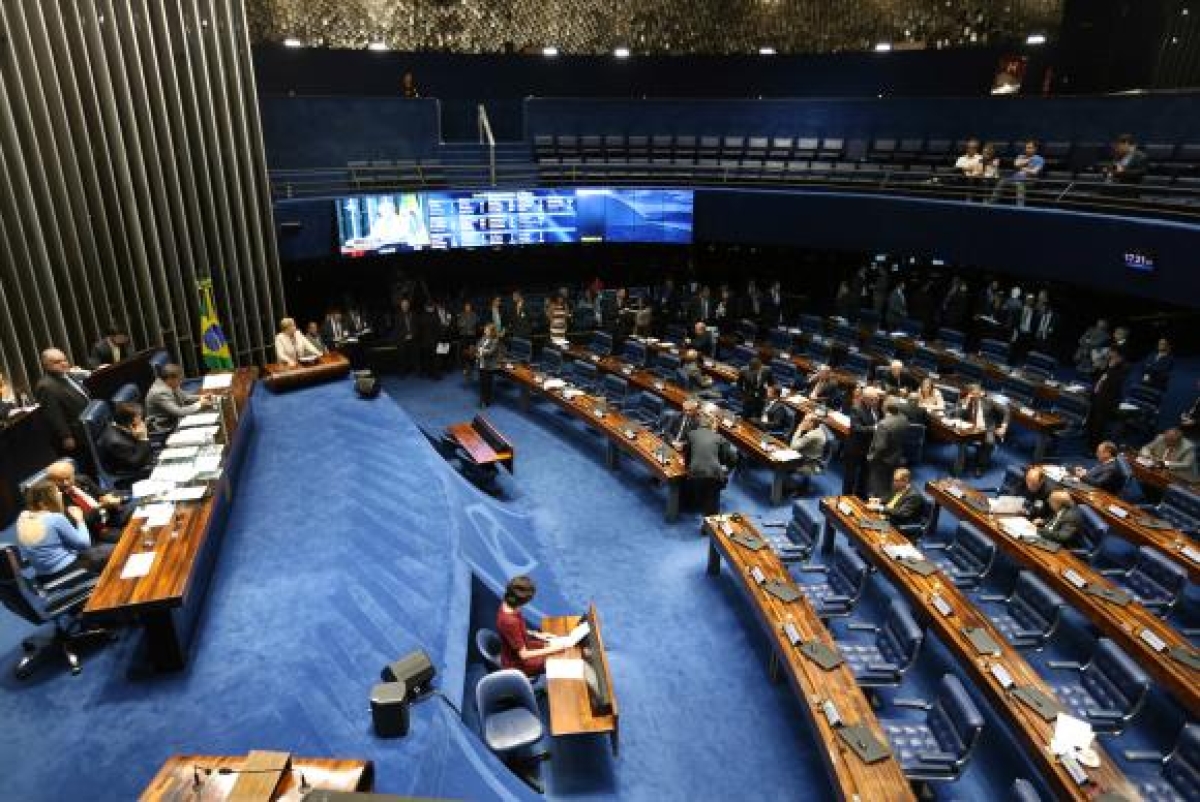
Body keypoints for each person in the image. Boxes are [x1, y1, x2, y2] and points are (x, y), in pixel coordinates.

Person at [16, 480, 113, 579]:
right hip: (69, 569)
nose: (60, 494)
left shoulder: (23, 519)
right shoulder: (54, 518)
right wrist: (80, 520)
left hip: (44, 576)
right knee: (113, 551)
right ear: (46, 501)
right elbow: (84, 545)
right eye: (56, 492)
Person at [495, 575, 567, 678]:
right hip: (518, 664)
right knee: (559, 659)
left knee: (550, 645)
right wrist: (553, 649)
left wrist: (537, 634)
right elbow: (524, 655)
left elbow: (512, 632)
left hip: (524, 646)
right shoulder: (509, 621)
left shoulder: (507, 605)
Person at [46, 459, 131, 544]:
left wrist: (114, 498)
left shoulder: (83, 480)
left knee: (139, 509)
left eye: (68, 478)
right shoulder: (55, 500)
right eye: (60, 480)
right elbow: (76, 524)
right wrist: (101, 506)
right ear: (52, 481)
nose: (66, 483)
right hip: (97, 530)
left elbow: (102, 494)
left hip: (111, 515)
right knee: (129, 538)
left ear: (73, 474)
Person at [34, 348, 91, 457]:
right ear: (46, 366)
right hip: (75, 435)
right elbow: (53, 414)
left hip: (86, 428)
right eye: (57, 362)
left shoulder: (68, 375)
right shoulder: (46, 386)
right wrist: (66, 436)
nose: (63, 363)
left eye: (64, 360)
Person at [684, 414, 737, 516]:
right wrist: (727, 469)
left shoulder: (691, 434)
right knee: (712, 502)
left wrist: (688, 469)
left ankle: (697, 503)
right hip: (714, 474)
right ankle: (708, 526)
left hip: (694, 472)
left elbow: (687, 454)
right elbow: (730, 458)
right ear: (713, 425)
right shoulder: (719, 438)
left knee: (701, 490)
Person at [953, 383, 1010, 477]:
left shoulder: (988, 401)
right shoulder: (966, 402)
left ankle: (980, 467)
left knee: (989, 443)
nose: (975, 396)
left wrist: (1003, 426)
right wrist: (965, 404)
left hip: (987, 429)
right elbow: (957, 416)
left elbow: (1006, 411)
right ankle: (959, 467)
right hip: (971, 428)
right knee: (961, 438)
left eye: (976, 393)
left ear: (980, 393)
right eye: (972, 394)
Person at [146, 363, 210, 433]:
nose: (181, 382)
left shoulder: (169, 383)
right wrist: (199, 404)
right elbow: (179, 412)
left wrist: (201, 397)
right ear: (170, 379)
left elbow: (185, 397)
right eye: (179, 379)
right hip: (164, 427)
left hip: (174, 419)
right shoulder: (159, 392)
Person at [1085, 349, 1129, 447]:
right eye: (1111, 356)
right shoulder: (1108, 366)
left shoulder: (1122, 369)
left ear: (1120, 357)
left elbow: (1114, 386)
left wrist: (1111, 368)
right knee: (1091, 423)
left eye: (1114, 356)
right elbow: (1096, 376)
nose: (1111, 358)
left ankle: (1094, 447)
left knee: (1098, 426)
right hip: (1097, 398)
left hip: (1107, 402)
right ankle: (1089, 444)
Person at [866, 400, 909, 499]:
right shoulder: (904, 419)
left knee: (876, 485)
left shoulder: (884, 424)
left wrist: (871, 457)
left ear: (885, 409)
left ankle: (875, 504)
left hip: (881, 460)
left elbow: (880, 446)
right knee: (888, 483)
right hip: (895, 456)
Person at [98, 402, 153, 478]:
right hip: (135, 471)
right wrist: (143, 439)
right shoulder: (116, 442)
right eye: (139, 420)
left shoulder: (122, 426)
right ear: (130, 425)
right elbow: (135, 463)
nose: (142, 423)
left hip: (144, 457)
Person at [843, 387, 880, 497]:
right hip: (854, 448)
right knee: (850, 476)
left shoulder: (874, 408)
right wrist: (874, 428)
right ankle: (847, 497)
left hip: (868, 448)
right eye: (874, 398)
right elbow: (856, 428)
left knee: (865, 474)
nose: (877, 400)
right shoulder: (856, 409)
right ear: (866, 399)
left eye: (876, 398)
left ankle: (860, 496)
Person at [990, 139, 1044, 206]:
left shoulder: (1040, 159)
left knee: (1020, 184)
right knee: (1002, 181)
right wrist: (1027, 162)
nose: (1027, 149)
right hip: (1014, 178)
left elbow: (1035, 172)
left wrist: (1022, 167)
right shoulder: (1021, 156)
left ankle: (1020, 207)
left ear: (1035, 149)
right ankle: (992, 203)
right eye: (1026, 147)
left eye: (1029, 148)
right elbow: (1016, 164)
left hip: (1029, 180)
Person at [789, 413, 828, 478]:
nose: (802, 423)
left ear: (811, 423)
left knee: (781, 461)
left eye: (805, 421)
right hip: (812, 459)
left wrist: (799, 429)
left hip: (806, 463)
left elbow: (793, 447)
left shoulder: (811, 435)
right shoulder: (819, 429)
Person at [476, 323, 501, 408]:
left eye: (486, 329)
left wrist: (481, 350)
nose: (485, 330)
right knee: (482, 383)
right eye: (485, 329)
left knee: (488, 384)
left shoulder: (495, 340)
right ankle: (482, 399)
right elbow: (478, 345)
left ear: (491, 331)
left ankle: (486, 402)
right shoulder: (483, 338)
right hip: (481, 364)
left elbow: (490, 352)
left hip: (489, 365)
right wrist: (482, 350)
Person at [393, 299, 418, 374]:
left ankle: (417, 371)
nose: (405, 306)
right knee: (402, 357)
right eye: (403, 305)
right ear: (401, 306)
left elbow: (416, 326)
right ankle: (403, 372)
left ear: (409, 305)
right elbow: (397, 329)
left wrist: (412, 335)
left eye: (406, 305)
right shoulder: (397, 316)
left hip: (413, 338)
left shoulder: (413, 314)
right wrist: (405, 336)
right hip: (402, 339)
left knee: (415, 356)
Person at [457, 300, 480, 377]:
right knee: (464, 351)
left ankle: (472, 365)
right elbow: (459, 324)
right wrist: (465, 325)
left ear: (471, 307)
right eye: (466, 306)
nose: (467, 307)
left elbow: (476, 324)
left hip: (472, 336)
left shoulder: (474, 315)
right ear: (464, 307)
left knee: (472, 352)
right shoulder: (461, 315)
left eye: (469, 306)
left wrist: (466, 325)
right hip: (463, 336)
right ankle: (464, 366)